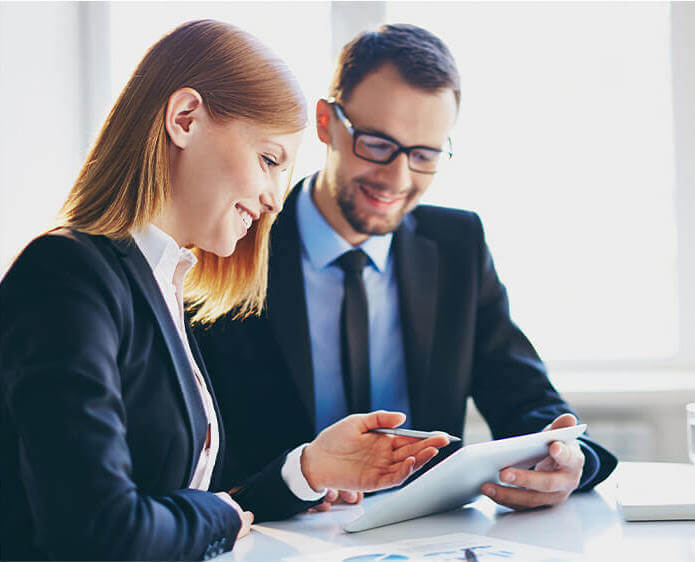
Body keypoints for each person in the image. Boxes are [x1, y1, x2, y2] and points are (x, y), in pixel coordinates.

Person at [0, 20, 450, 561]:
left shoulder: (163, 281)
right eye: (268, 160)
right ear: (184, 118)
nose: (274, 202)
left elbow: (179, 504)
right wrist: (216, 514)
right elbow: (101, 530)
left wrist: (307, 470)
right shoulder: (66, 275)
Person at [194, 23, 618, 514]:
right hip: (275, 533)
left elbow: (526, 399)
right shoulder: (236, 238)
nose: (397, 178)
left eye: (424, 155)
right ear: (327, 123)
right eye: (376, 143)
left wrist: (570, 460)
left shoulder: (457, 245)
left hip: (426, 533)